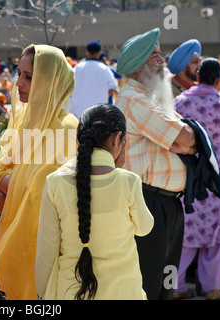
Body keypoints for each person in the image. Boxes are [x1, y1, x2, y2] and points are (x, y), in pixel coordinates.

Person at [0, 44, 78, 299]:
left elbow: (41, 193)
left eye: (29, 77)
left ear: (50, 82)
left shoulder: (66, 129)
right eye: (19, 73)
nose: (18, 83)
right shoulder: (26, 121)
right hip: (11, 237)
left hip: (41, 249)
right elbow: (9, 181)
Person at [35, 104, 154, 300]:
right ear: (117, 138)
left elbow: (46, 252)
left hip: (70, 292)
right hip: (122, 292)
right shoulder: (128, 182)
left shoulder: (55, 182)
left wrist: (41, 294)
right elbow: (144, 227)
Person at [115, 28, 197, 300]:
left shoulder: (150, 97)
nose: (162, 61)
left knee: (165, 285)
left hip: (167, 205)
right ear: (138, 66)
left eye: (161, 54)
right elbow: (184, 137)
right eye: (154, 56)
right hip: (150, 204)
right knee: (150, 286)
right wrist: (186, 141)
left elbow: (183, 142)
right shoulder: (134, 99)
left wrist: (183, 143)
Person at [173, 58, 220, 300]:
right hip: (219, 176)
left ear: (197, 76)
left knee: (185, 232)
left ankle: (176, 287)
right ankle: (212, 288)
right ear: (217, 80)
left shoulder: (179, 102)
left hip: (188, 174)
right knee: (218, 233)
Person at [69, 39, 118, 118]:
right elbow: (112, 88)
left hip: (78, 113)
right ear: (99, 53)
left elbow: (69, 86)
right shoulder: (105, 69)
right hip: (98, 113)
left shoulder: (77, 67)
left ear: (86, 52)